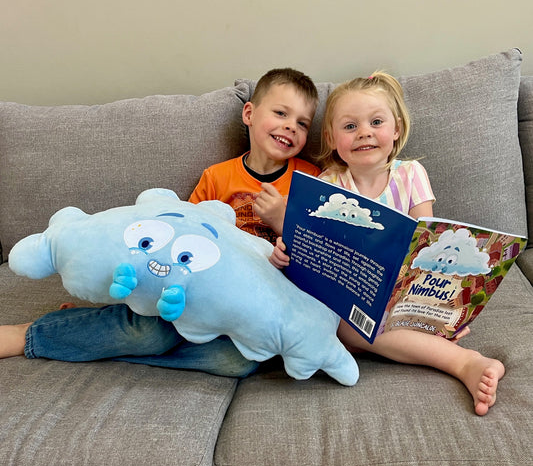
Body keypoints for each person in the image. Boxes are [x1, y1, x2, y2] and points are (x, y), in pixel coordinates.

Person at [0, 68, 321, 378]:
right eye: (281, 113)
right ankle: (33, 334)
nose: (291, 126)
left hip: (257, 307)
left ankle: (82, 329)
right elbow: (182, 233)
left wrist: (282, 222)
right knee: (153, 336)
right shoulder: (218, 177)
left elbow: (319, 254)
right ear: (249, 113)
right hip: (192, 292)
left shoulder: (311, 180)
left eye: (302, 122)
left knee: (238, 364)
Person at [269, 71, 504, 416]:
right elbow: (311, 250)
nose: (364, 132)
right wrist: (284, 253)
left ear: (395, 130)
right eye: (350, 126)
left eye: (376, 122)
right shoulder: (329, 183)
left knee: (388, 318)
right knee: (347, 325)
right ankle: (460, 360)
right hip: (351, 304)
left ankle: (452, 355)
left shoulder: (411, 174)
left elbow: (429, 246)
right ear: (333, 138)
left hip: (404, 296)